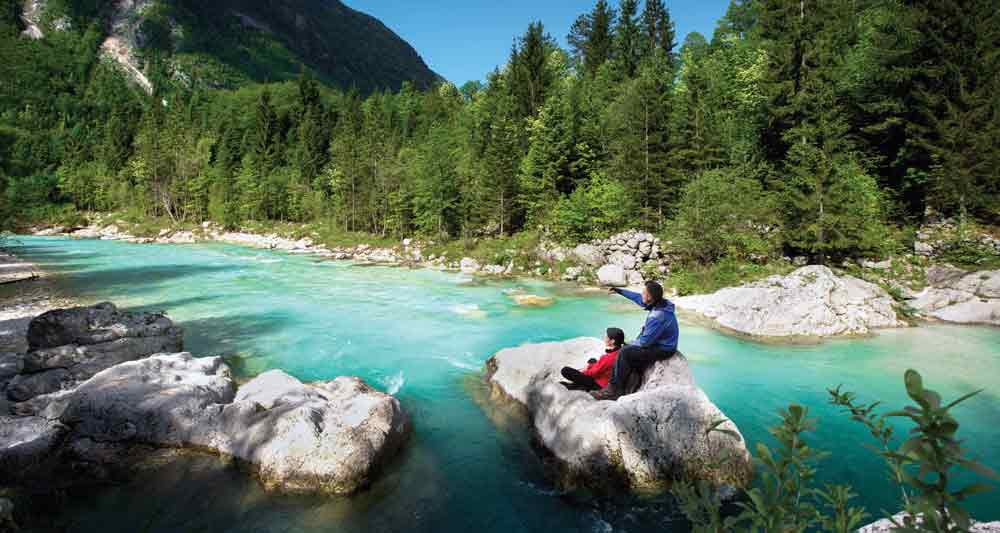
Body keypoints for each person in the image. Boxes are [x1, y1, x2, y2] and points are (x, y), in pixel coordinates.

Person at [592, 281, 678, 401]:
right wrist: (620, 291)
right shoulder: (660, 303)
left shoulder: (657, 316)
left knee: (624, 352)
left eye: (644, 292)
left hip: (663, 349)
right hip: (660, 342)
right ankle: (631, 382)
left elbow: (644, 343)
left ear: (649, 297)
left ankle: (613, 391)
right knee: (630, 350)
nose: (641, 294)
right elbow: (637, 298)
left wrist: (627, 344)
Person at [560, 328, 626, 391]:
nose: (604, 338)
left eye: (606, 337)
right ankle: (575, 386)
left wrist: (581, 373)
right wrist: (594, 364)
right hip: (605, 378)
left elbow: (593, 373)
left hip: (598, 384)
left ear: (612, 341)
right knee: (593, 361)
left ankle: (578, 386)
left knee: (565, 370)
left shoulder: (609, 358)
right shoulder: (621, 351)